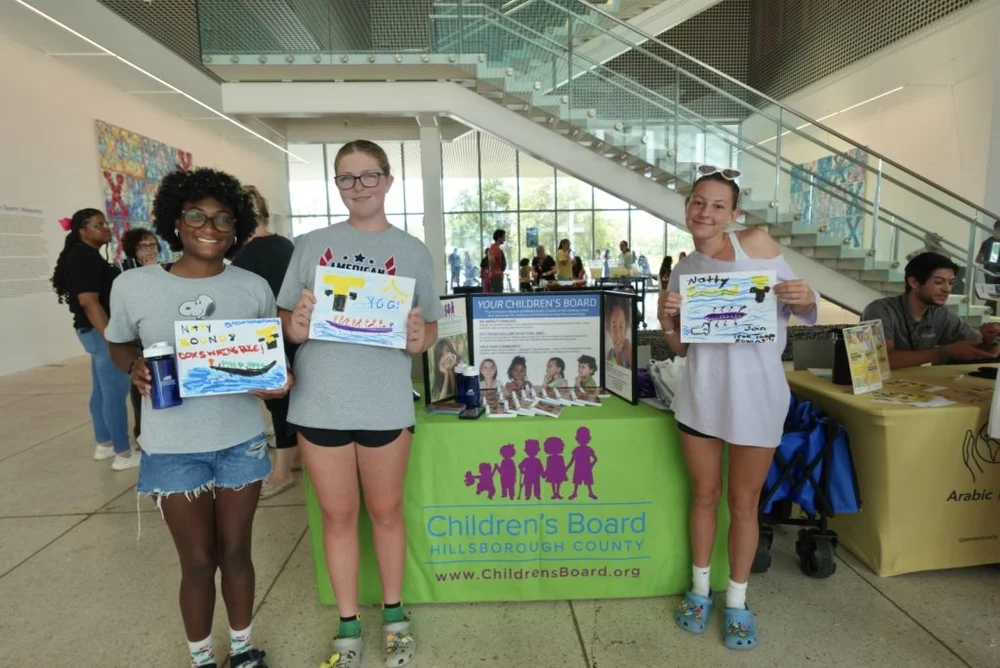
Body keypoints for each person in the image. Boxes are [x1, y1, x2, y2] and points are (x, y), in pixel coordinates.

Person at [106, 168, 291, 668]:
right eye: (196, 215)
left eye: (223, 218)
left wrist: (278, 378)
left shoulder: (252, 287)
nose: (209, 227)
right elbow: (118, 342)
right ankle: (201, 658)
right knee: (197, 560)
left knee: (236, 552)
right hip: (171, 446)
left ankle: (243, 650)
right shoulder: (133, 285)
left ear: (238, 227)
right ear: (175, 220)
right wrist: (134, 365)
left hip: (240, 440)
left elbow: (267, 357)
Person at [277, 139, 442, 668]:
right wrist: (296, 326)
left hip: (384, 402)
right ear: (336, 184)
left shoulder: (412, 251)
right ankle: (348, 624)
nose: (358, 187)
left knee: (386, 512)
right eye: (346, 178)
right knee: (337, 515)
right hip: (320, 403)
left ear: (388, 180)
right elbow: (286, 322)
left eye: (369, 175)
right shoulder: (311, 245)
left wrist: (419, 338)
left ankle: (394, 616)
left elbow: (429, 326)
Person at [658, 168, 818, 651]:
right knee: (704, 496)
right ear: (687, 206)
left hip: (757, 397)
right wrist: (665, 321)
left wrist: (806, 296)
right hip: (702, 397)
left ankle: (737, 601)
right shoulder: (684, 270)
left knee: (744, 504)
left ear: (733, 214)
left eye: (717, 205)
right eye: (697, 202)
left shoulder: (756, 245)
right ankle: (700, 591)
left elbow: (803, 308)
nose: (704, 213)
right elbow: (684, 348)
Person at [51, 208, 137, 470]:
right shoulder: (83, 258)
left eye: (106, 223)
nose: (106, 228)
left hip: (92, 332)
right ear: (82, 231)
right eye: (98, 225)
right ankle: (123, 454)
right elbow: (89, 302)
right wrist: (112, 338)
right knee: (115, 393)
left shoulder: (85, 255)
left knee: (102, 390)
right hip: (99, 333)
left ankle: (105, 443)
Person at [231, 185, 301, 500]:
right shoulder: (286, 245)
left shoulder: (244, 258)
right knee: (292, 399)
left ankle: (282, 472)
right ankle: (294, 457)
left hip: (268, 337)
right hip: (297, 332)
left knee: (278, 403)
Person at [860, 252, 999, 369]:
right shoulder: (880, 311)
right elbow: (880, 360)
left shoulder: (941, 315)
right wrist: (944, 352)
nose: (947, 289)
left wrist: (989, 340)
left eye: (951, 283)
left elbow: (985, 351)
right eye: (939, 282)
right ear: (914, 282)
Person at [120, 227, 162, 444]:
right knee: (142, 381)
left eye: (152, 245)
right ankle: (141, 432)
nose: (149, 250)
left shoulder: (166, 272)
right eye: (143, 246)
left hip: (163, 335)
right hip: (141, 337)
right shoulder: (128, 278)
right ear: (133, 251)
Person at [975, 221, 1000, 314]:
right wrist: (991, 263)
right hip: (991, 274)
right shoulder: (987, 242)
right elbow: (978, 259)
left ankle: (987, 313)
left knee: (992, 298)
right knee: (992, 298)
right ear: (995, 229)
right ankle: (988, 316)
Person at [606, 301, 632, 369]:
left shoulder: (627, 348)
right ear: (609, 330)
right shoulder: (610, 354)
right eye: (614, 327)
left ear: (626, 329)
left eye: (621, 326)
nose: (618, 336)